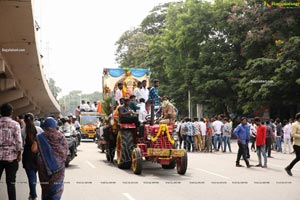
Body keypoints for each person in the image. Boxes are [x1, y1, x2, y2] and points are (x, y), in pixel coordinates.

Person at [36, 117, 68, 200]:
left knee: (45, 187)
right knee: (57, 187)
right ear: (54, 125)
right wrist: (59, 160)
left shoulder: (40, 137)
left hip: (43, 166)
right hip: (58, 167)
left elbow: (34, 149)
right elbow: (65, 150)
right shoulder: (60, 135)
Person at [0, 103, 23, 200]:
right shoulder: (15, 124)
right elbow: (18, 141)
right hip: (11, 158)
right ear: (11, 113)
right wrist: (19, 154)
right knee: (11, 183)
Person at [22, 113, 44, 200]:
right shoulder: (39, 129)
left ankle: (33, 195)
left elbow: (21, 144)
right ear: (34, 120)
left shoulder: (22, 130)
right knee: (35, 175)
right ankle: (32, 194)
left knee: (31, 176)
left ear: (24, 120)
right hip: (38, 154)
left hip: (28, 155)